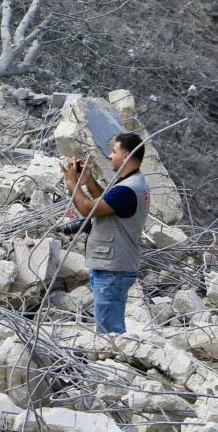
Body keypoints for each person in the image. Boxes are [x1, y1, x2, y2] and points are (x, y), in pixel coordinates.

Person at [58, 132, 150, 334]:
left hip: (113, 269)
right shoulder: (132, 182)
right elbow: (107, 203)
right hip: (113, 265)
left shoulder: (127, 189)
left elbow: (87, 209)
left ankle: (114, 363)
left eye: (114, 151)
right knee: (109, 327)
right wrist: (88, 181)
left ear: (125, 155)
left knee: (109, 333)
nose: (110, 156)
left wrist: (72, 182)